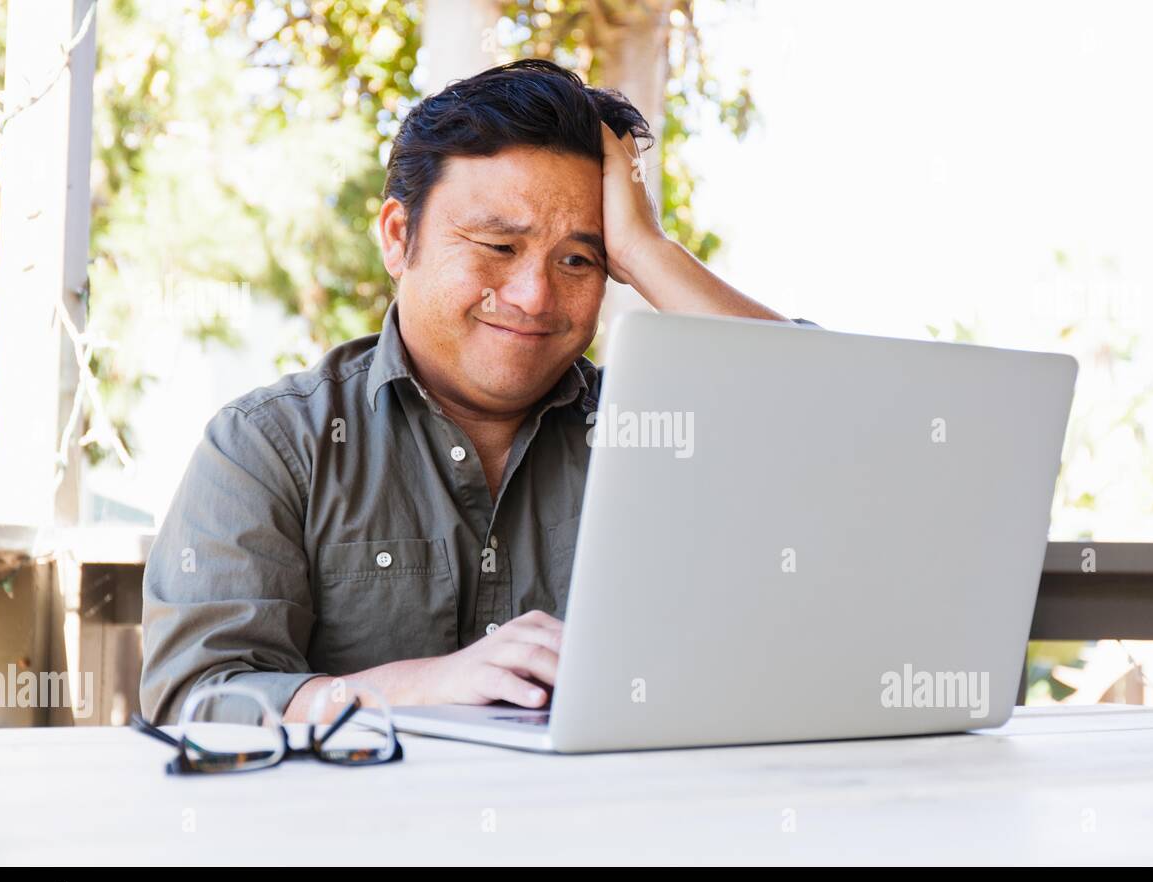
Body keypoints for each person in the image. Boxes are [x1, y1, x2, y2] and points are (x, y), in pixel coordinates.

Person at [139, 59, 804, 725]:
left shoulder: (658, 438)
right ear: (400, 239)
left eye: (580, 259)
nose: (534, 296)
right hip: (348, 827)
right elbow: (195, 699)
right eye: (496, 245)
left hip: (607, 824)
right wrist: (420, 688)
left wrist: (646, 249)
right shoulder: (269, 448)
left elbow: (831, 434)